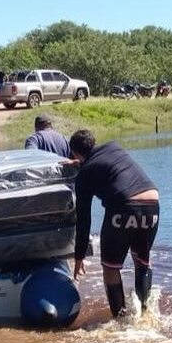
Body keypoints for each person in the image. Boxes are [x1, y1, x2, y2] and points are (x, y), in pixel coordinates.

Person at [69, 129, 160, 318]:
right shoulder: (114, 147)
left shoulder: (84, 175)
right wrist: (82, 164)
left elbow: (84, 220)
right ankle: (146, 315)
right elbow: (106, 166)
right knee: (142, 260)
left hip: (123, 206)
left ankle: (120, 322)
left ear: (76, 154)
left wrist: (79, 257)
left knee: (111, 268)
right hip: (152, 201)